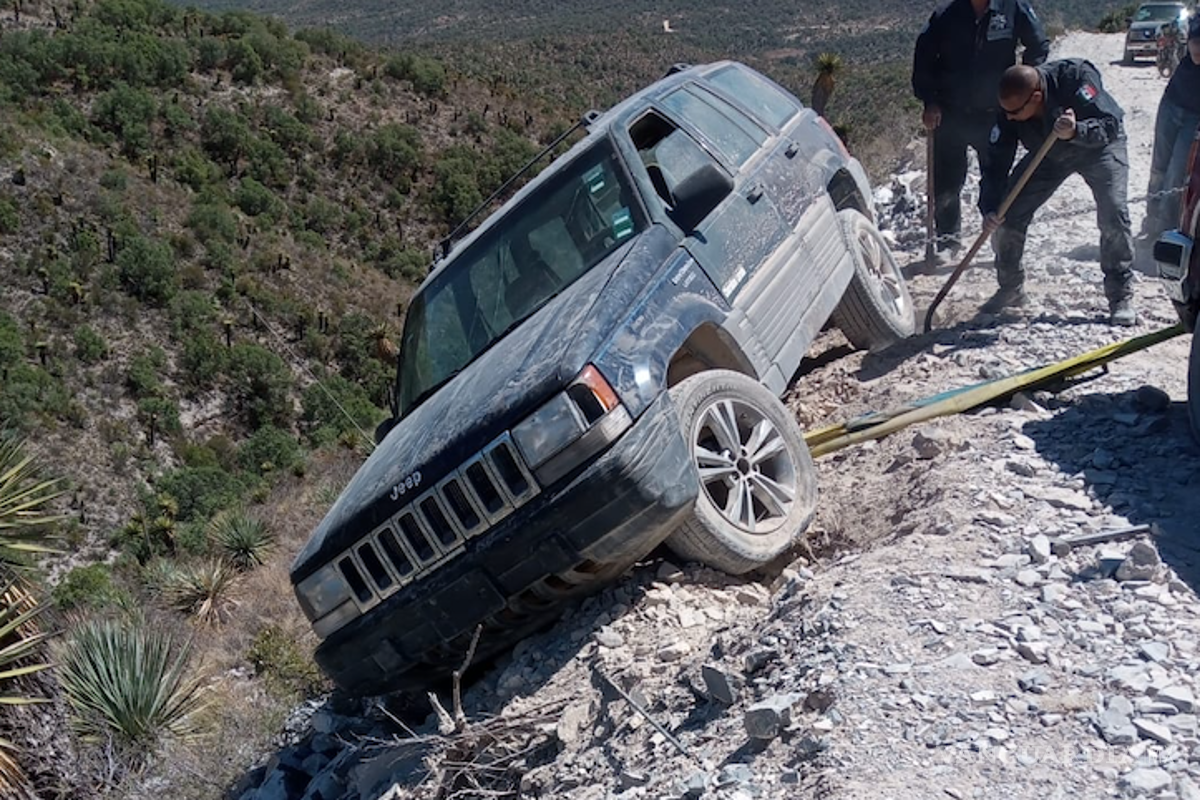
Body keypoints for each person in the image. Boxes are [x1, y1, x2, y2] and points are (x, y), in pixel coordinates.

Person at [978, 60, 1136, 326]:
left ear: (1036, 97)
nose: (1009, 118)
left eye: (1015, 112)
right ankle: (1010, 288)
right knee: (1008, 214)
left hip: (1099, 149)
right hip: (1048, 155)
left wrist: (1076, 131)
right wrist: (990, 206)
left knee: (1113, 212)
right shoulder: (1009, 107)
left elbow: (1108, 124)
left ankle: (1120, 295)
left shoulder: (1076, 77)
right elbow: (996, 160)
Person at [913, 0, 1049, 257]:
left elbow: (1038, 44)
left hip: (995, 114)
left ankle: (1002, 242)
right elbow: (924, 57)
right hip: (950, 114)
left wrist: (1024, 86)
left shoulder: (1013, 7)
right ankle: (947, 243)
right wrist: (929, 101)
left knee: (996, 180)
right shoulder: (946, 14)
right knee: (947, 183)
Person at [1145, 15, 1200, 241]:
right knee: (1159, 166)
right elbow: (1196, 52)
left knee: (1177, 173)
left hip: (1196, 115)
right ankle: (1151, 222)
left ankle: (1164, 231)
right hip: (1173, 101)